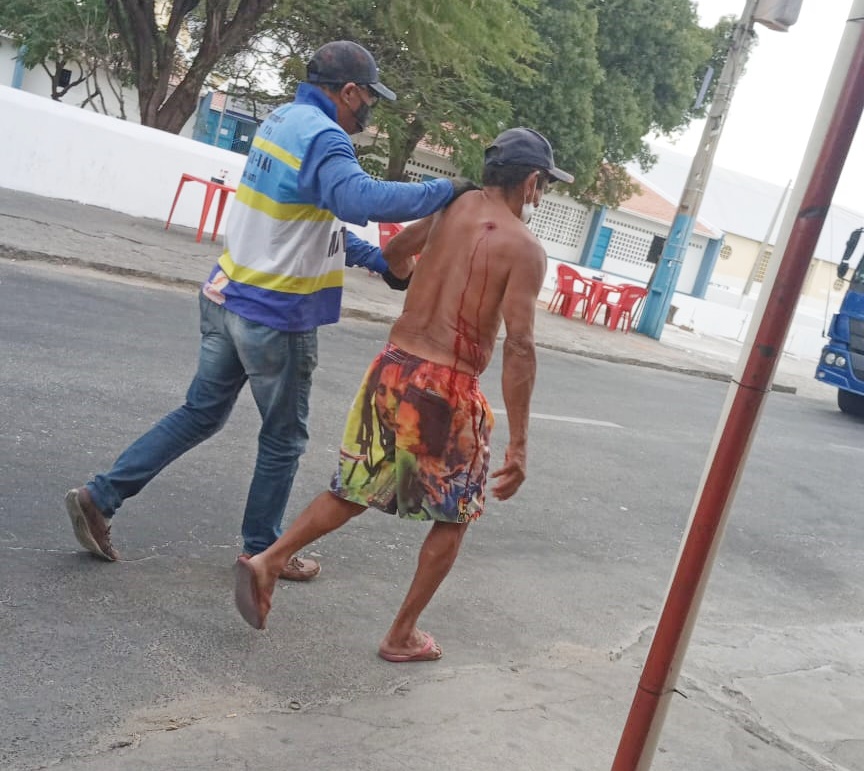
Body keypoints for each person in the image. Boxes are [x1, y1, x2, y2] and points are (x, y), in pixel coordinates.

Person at [64, 40, 475, 579]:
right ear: (350, 91)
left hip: (228, 295)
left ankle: (100, 496)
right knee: (283, 440)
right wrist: (446, 190)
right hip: (275, 316)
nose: (369, 111)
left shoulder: (283, 121)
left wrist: (378, 260)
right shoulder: (325, 136)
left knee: (200, 413)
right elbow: (360, 199)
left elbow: (306, 221)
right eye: (369, 99)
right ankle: (263, 551)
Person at [234, 127, 574, 661]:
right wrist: (520, 444)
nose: (541, 196)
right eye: (545, 187)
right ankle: (401, 635)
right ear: (531, 183)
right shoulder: (524, 248)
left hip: (392, 367)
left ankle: (269, 559)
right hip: (447, 387)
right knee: (454, 515)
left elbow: (394, 253)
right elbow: (520, 346)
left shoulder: (450, 206)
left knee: (353, 488)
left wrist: (426, 285)